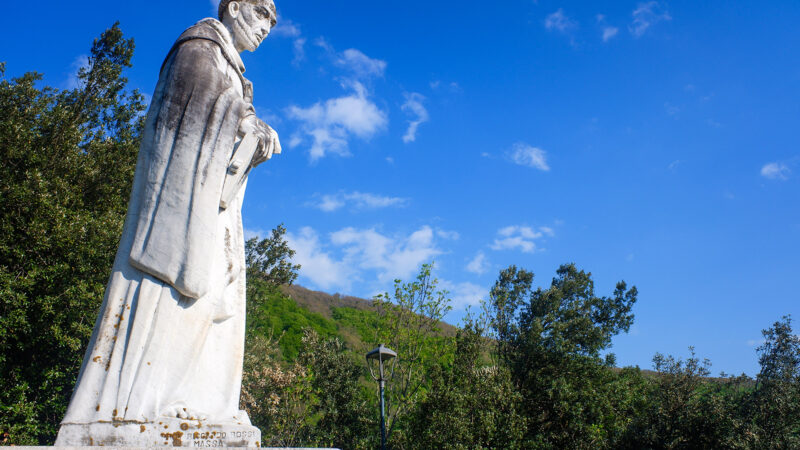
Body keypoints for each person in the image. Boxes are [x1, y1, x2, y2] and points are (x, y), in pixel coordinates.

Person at [56, 0, 281, 439]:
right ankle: (136, 407)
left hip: (214, 206)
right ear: (235, 7)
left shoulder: (233, 70)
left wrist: (253, 129)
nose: (266, 26)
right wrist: (244, 122)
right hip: (181, 208)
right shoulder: (199, 47)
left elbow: (228, 118)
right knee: (173, 296)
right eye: (261, 12)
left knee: (213, 300)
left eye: (272, 21)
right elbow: (183, 122)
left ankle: (196, 402)